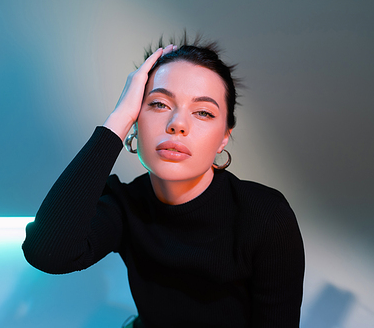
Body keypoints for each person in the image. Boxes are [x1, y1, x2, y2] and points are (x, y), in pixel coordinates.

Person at [22, 35, 305, 328]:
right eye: (158, 104)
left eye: (203, 112)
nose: (177, 124)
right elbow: (47, 253)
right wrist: (117, 121)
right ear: (135, 120)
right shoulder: (124, 205)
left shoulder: (266, 216)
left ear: (224, 137)